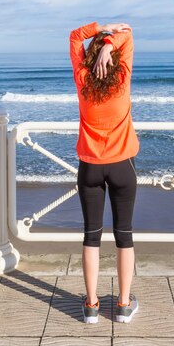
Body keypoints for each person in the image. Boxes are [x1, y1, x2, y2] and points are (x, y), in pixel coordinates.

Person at [69, 21, 139, 324]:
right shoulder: (122, 78)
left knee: (91, 236)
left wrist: (100, 29)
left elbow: (74, 37)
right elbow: (129, 35)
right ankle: (123, 305)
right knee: (124, 236)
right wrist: (111, 43)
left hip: (90, 168)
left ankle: (92, 306)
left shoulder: (82, 79)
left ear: (89, 58)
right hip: (123, 165)